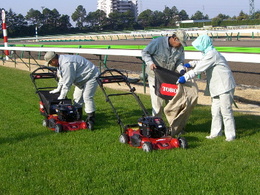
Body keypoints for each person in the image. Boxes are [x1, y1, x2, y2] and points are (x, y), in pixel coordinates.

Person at [177, 34, 236, 141]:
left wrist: (185, 77)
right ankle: (216, 133)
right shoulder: (209, 53)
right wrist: (190, 64)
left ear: (203, 44)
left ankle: (230, 135)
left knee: (226, 111)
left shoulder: (212, 54)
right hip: (217, 86)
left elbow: (199, 69)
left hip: (225, 85)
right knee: (215, 111)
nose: (198, 48)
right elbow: (202, 62)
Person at [44, 51, 99, 130]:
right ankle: (77, 117)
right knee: (76, 98)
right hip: (81, 78)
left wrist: (61, 97)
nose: (50, 65)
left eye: (50, 63)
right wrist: (58, 89)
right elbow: (62, 78)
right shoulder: (60, 63)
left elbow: (67, 82)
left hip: (91, 76)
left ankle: (91, 119)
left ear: (53, 60)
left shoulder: (67, 64)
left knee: (87, 97)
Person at [141, 29, 188, 117]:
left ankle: (173, 126)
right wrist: (150, 63)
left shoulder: (180, 48)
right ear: (174, 38)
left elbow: (179, 62)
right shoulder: (158, 42)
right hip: (155, 77)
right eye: (180, 43)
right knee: (157, 102)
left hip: (169, 78)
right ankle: (157, 124)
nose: (181, 45)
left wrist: (181, 69)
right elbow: (145, 53)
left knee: (172, 102)